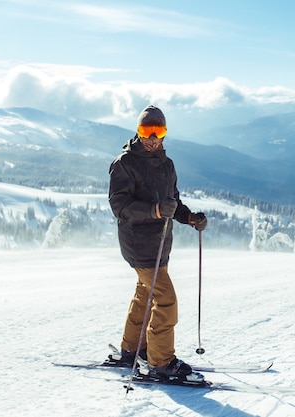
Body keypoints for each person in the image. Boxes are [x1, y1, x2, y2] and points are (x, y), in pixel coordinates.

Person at [108, 105, 208, 379]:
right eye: (146, 130)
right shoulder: (124, 164)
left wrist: (189, 217)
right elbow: (120, 205)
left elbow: (171, 204)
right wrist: (153, 211)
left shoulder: (166, 165)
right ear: (138, 132)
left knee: (146, 294)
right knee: (165, 300)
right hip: (138, 245)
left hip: (160, 245)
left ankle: (132, 349)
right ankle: (160, 362)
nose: (152, 137)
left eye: (158, 131)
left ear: (164, 134)